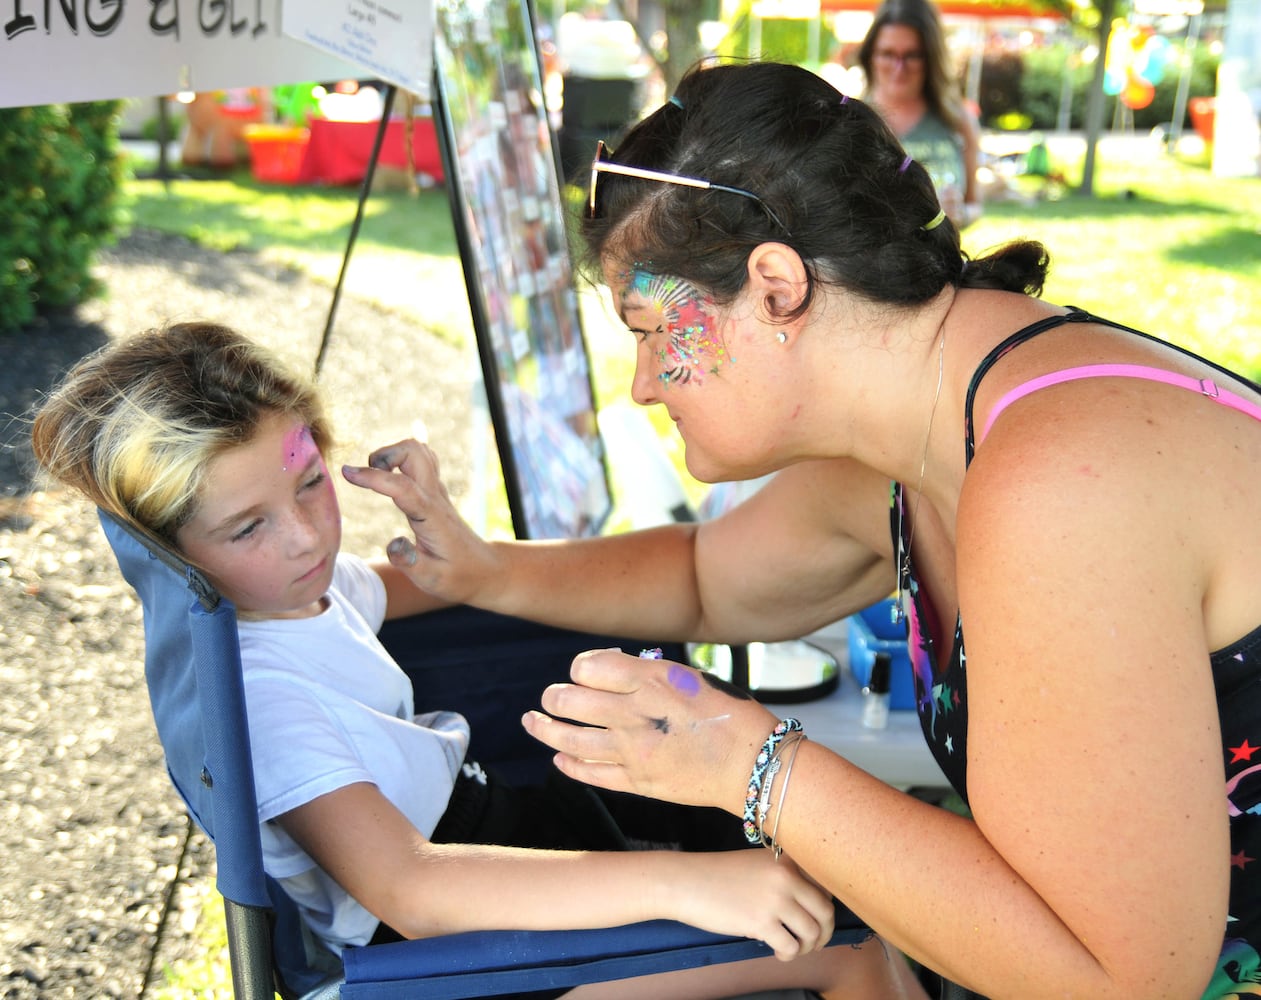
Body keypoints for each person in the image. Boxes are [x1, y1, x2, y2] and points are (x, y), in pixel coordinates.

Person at [345, 60, 1261, 999]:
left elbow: (1119, 982)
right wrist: (485, 572)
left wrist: (752, 765)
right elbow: (709, 578)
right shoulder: (926, 431)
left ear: (776, 287)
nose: (643, 382)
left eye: (655, 329)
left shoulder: (1058, 483)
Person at [30, 322, 928, 1000]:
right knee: (845, 945)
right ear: (176, 552)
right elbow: (409, 891)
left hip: (493, 819)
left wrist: (445, 536)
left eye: (308, 481)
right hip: (448, 960)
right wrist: (692, 883)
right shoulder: (265, 698)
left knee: (810, 866)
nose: (304, 534)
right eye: (247, 525)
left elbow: (421, 581)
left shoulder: (296, 588)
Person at [858, 0, 981, 229]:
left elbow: (975, 205)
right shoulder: (850, 122)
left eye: (912, 55)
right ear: (870, 56)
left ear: (931, 59)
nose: (899, 67)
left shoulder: (958, 121)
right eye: (887, 54)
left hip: (942, 263)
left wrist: (961, 214)